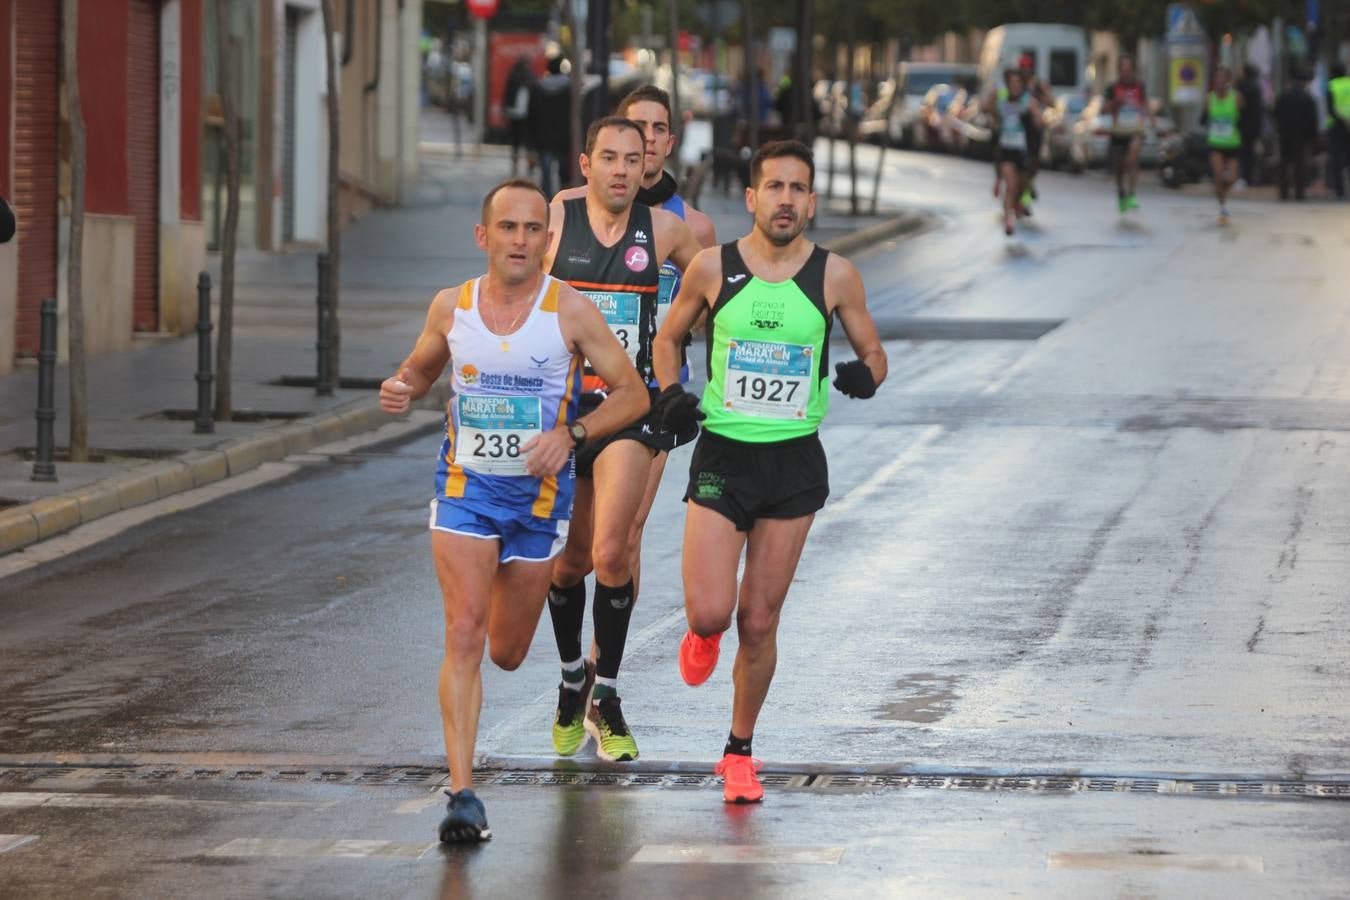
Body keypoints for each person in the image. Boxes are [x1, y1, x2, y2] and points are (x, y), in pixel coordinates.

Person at [378, 178, 648, 843]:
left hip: (538, 503)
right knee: (464, 632)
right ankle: (462, 794)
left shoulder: (571, 312)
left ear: (547, 240)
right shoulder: (452, 307)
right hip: (465, 492)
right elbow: (418, 366)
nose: (521, 240)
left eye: (533, 229)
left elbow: (634, 394)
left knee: (505, 651)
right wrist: (404, 385)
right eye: (508, 228)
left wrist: (573, 435)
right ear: (484, 237)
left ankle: (576, 675)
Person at [650, 140, 886, 805]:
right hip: (724, 455)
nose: (786, 199)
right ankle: (700, 635)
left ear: (811, 201)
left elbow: (875, 352)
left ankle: (739, 749)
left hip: (794, 463)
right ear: (751, 198)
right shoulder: (710, 268)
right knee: (713, 611)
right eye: (773, 187)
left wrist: (863, 376)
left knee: (760, 621)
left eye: (798, 188)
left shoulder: (834, 276)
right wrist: (669, 394)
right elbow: (666, 339)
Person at [542, 116, 702, 762]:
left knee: (614, 550)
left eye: (630, 159)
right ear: (586, 164)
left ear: (646, 168)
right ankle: (571, 676)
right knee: (568, 563)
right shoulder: (556, 225)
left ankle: (605, 694)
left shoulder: (664, 230)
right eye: (607, 157)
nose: (618, 169)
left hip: (629, 411)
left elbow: (720, 285)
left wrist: (681, 369)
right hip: (562, 413)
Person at [988, 68, 1042, 235]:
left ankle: (1019, 203)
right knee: (1010, 185)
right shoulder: (1002, 100)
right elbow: (989, 110)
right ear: (1007, 84)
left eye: (1018, 83)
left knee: (1021, 185)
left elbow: (1040, 123)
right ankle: (1008, 220)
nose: (1015, 86)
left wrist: (1035, 115)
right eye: (1011, 83)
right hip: (1006, 149)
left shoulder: (1028, 102)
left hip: (1023, 151)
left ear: (1022, 84)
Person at [1104, 55, 1156, 214]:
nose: (1126, 70)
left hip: (1135, 129)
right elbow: (1105, 108)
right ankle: (1121, 191)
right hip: (1119, 131)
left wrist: (1151, 117)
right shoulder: (1113, 87)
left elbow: (1145, 103)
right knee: (1120, 166)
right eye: (1123, 67)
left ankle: (1132, 193)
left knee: (1133, 159)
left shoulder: (1139, 86)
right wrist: (1116, 103)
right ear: (1120, 69)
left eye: (1129, 67)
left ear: (1132, 69)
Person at [1202, 66, 1244, 225]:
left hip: (1232, 142)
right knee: (1219, 175)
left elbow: (1244, 118)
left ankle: (1223, 195)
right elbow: (1204, 118)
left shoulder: (1237, 97)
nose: (1219, 82)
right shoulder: (1209, 98)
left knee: (1231, 178)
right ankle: (1222, 205)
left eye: (1222, 79)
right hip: (1215, 142)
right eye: (1216, 78)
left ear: (1228, 81)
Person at [529, 55, 573, 198]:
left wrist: (532, 141)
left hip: (543, 136)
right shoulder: (569, 88)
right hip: (562, 135)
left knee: (546, 172)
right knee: (563, 172)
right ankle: (563, 199)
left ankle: (547, 201)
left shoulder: (538, 87)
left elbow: (532, 114)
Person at [1274, 71, 1318, 201]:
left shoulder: (1283, 96)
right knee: (1300, 164)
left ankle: (1283, 192)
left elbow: (1275, 113)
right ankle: (1299, 192)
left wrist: (1280, 128)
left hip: (1284, 134)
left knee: (1284, 163)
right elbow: (1312, 118)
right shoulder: (1307, 97)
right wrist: (1312, 135)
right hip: (1301, 135)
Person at [503, 54, 535, 177]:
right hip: (527, 114)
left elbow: (507, 94)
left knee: (515, 141)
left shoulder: (513, 75)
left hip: (514, 112)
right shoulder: (531, 77)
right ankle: (529, 165)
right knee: (528, 142)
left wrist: (505, 109)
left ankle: (515, 165)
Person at [1237, 64, 1265, 188]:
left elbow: (1239, 107)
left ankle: (1243, 177)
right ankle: (1251, 178)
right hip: (1254, 125)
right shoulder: (1257, 88)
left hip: (1242, 124)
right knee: (1251, 153)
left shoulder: (1241, 87)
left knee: (1243, 152)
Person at [1327, 63, 1350, 200]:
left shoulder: (1331, 86)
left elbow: (1330, 109)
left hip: (1336, 127)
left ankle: (1340, 192)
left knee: (1337, 160)